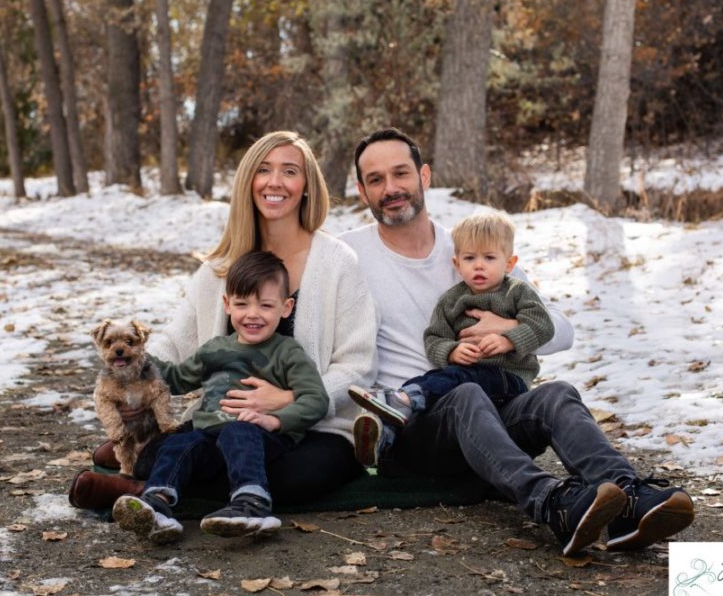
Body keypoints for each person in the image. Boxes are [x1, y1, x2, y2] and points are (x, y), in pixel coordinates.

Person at [339, 127, 695, 557]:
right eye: (376, 180)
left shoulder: (474, 247)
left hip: (492, 415)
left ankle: (629, 499)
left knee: (557, 393)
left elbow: (560, 328)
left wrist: (506, 331)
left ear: (425, 176)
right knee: (465, 391)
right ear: (362, 191)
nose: (391, 188)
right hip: (419, 428)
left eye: (401, 173)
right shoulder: (348, 256)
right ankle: (552, 502)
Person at [75, 131, 377, 509]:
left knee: (298, 475)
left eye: (289, 171)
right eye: (263, 170)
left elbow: (358, 364)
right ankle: (158, 480)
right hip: (218, 422)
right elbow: (176, 340)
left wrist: (289, 399)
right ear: (248, 182)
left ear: (306, 186)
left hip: (306, 429)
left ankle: (142, 491)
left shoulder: (337, 263)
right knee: (169, 451)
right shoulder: (221, 267)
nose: (275, 182)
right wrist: (134, 371)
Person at [111, 251, 329, 543]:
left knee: (238, 431)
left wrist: (275, 421)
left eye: (265, 305)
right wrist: (142, 361)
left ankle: (252, 503)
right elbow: (176, 379)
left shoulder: (287, 352)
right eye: (242, 304)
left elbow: (316, 399)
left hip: (260, 435)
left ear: (286, 307)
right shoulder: (214, 349)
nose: (253, 314)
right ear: (227, 305)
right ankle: (157, 506)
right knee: (178, 443)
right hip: (209, 435)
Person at [347, 210, 555, 462]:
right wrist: (451, 351)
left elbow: (543, 324)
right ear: (457, 264)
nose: (479, 265)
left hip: (509, 378)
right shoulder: (452, 300)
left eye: (489, 257)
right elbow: (434, 338)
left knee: (457, 378)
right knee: (439, 377)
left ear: (509, 263)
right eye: (470, 258)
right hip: (470, 383)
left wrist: (509, 337)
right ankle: (386, 432)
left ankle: (404, 399)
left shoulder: (517, 291)